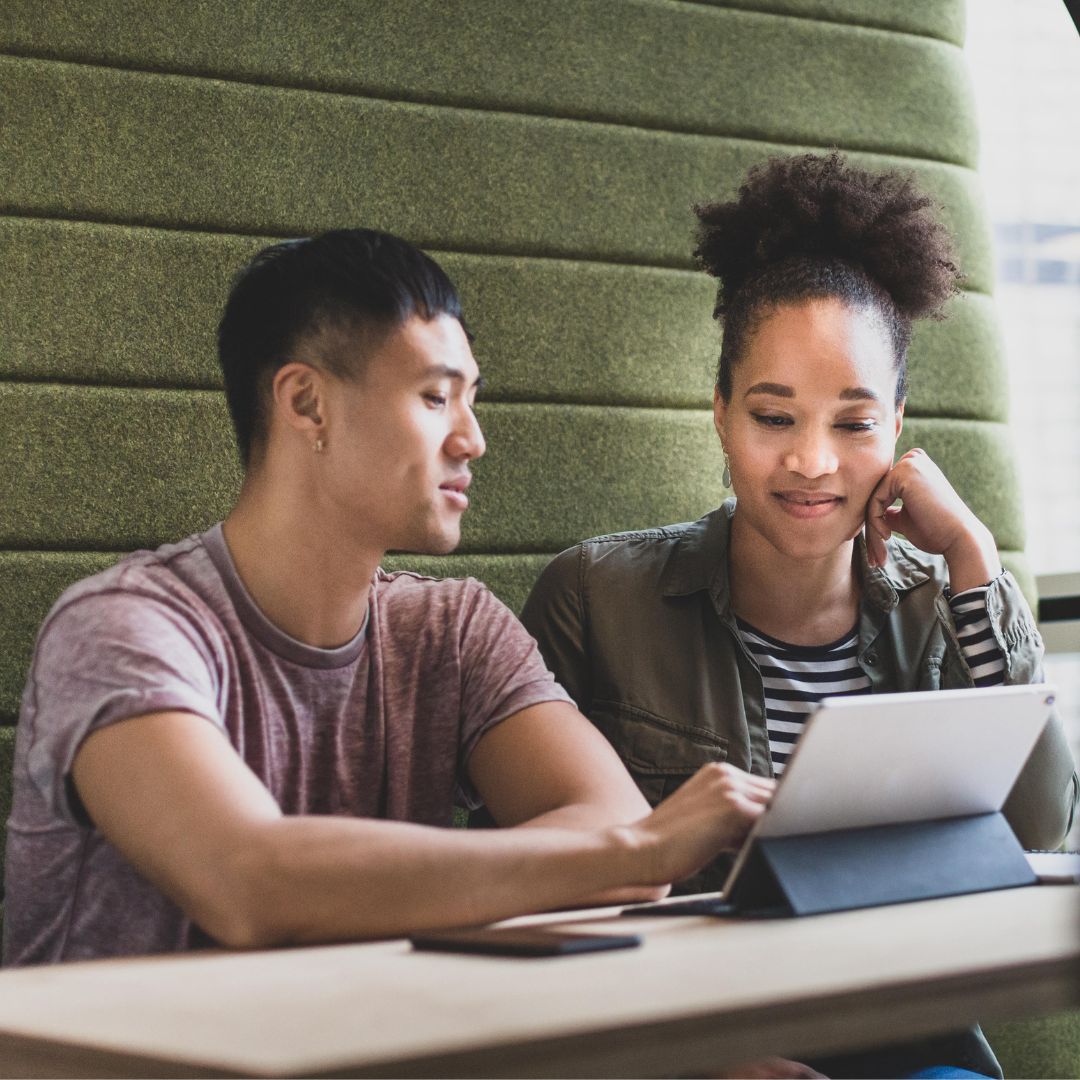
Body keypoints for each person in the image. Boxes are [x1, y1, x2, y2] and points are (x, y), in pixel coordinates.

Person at [3, 228, 778, 968]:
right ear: (307, 405)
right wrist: (634, 850)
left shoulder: (454, 629)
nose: (473, 438)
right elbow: (248, 883)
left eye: (472, 399)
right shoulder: (119, 627)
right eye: (437, 398)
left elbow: (612, 833)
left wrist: (625, 853)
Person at [520, 153, 1079, 1079]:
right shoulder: (594, 599)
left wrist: (975, 560)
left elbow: (1040, 834)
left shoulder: (944, 610)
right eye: (775, 418)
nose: (813, 462)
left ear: (897, 428)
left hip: (910, 1051)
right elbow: (521, 892)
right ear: (720, 414)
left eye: (854, 424)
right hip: (682, 1049)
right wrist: (697, 1061)